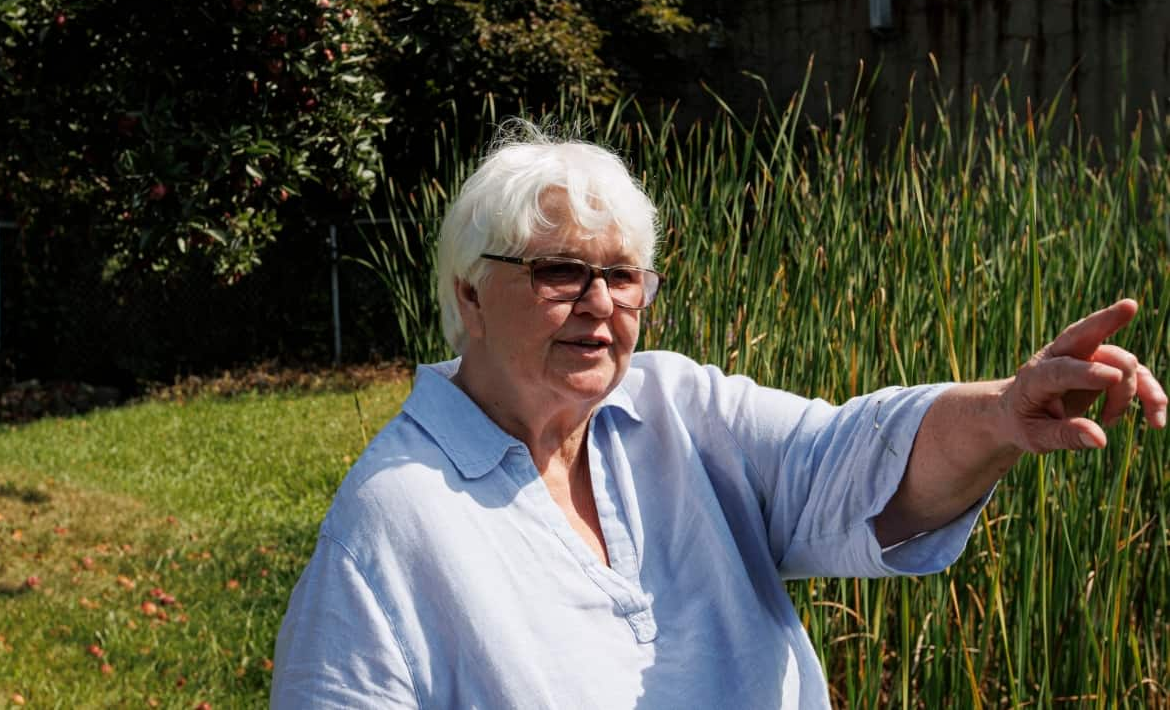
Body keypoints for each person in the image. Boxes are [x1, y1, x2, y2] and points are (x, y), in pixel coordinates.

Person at [271, 127, 1166, 708]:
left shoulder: (678, 406)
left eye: (623, 276)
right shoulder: (395, 515)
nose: (600, 303)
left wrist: (1005, 415)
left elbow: (849, 459)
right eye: (558, 274)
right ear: (469, 294)